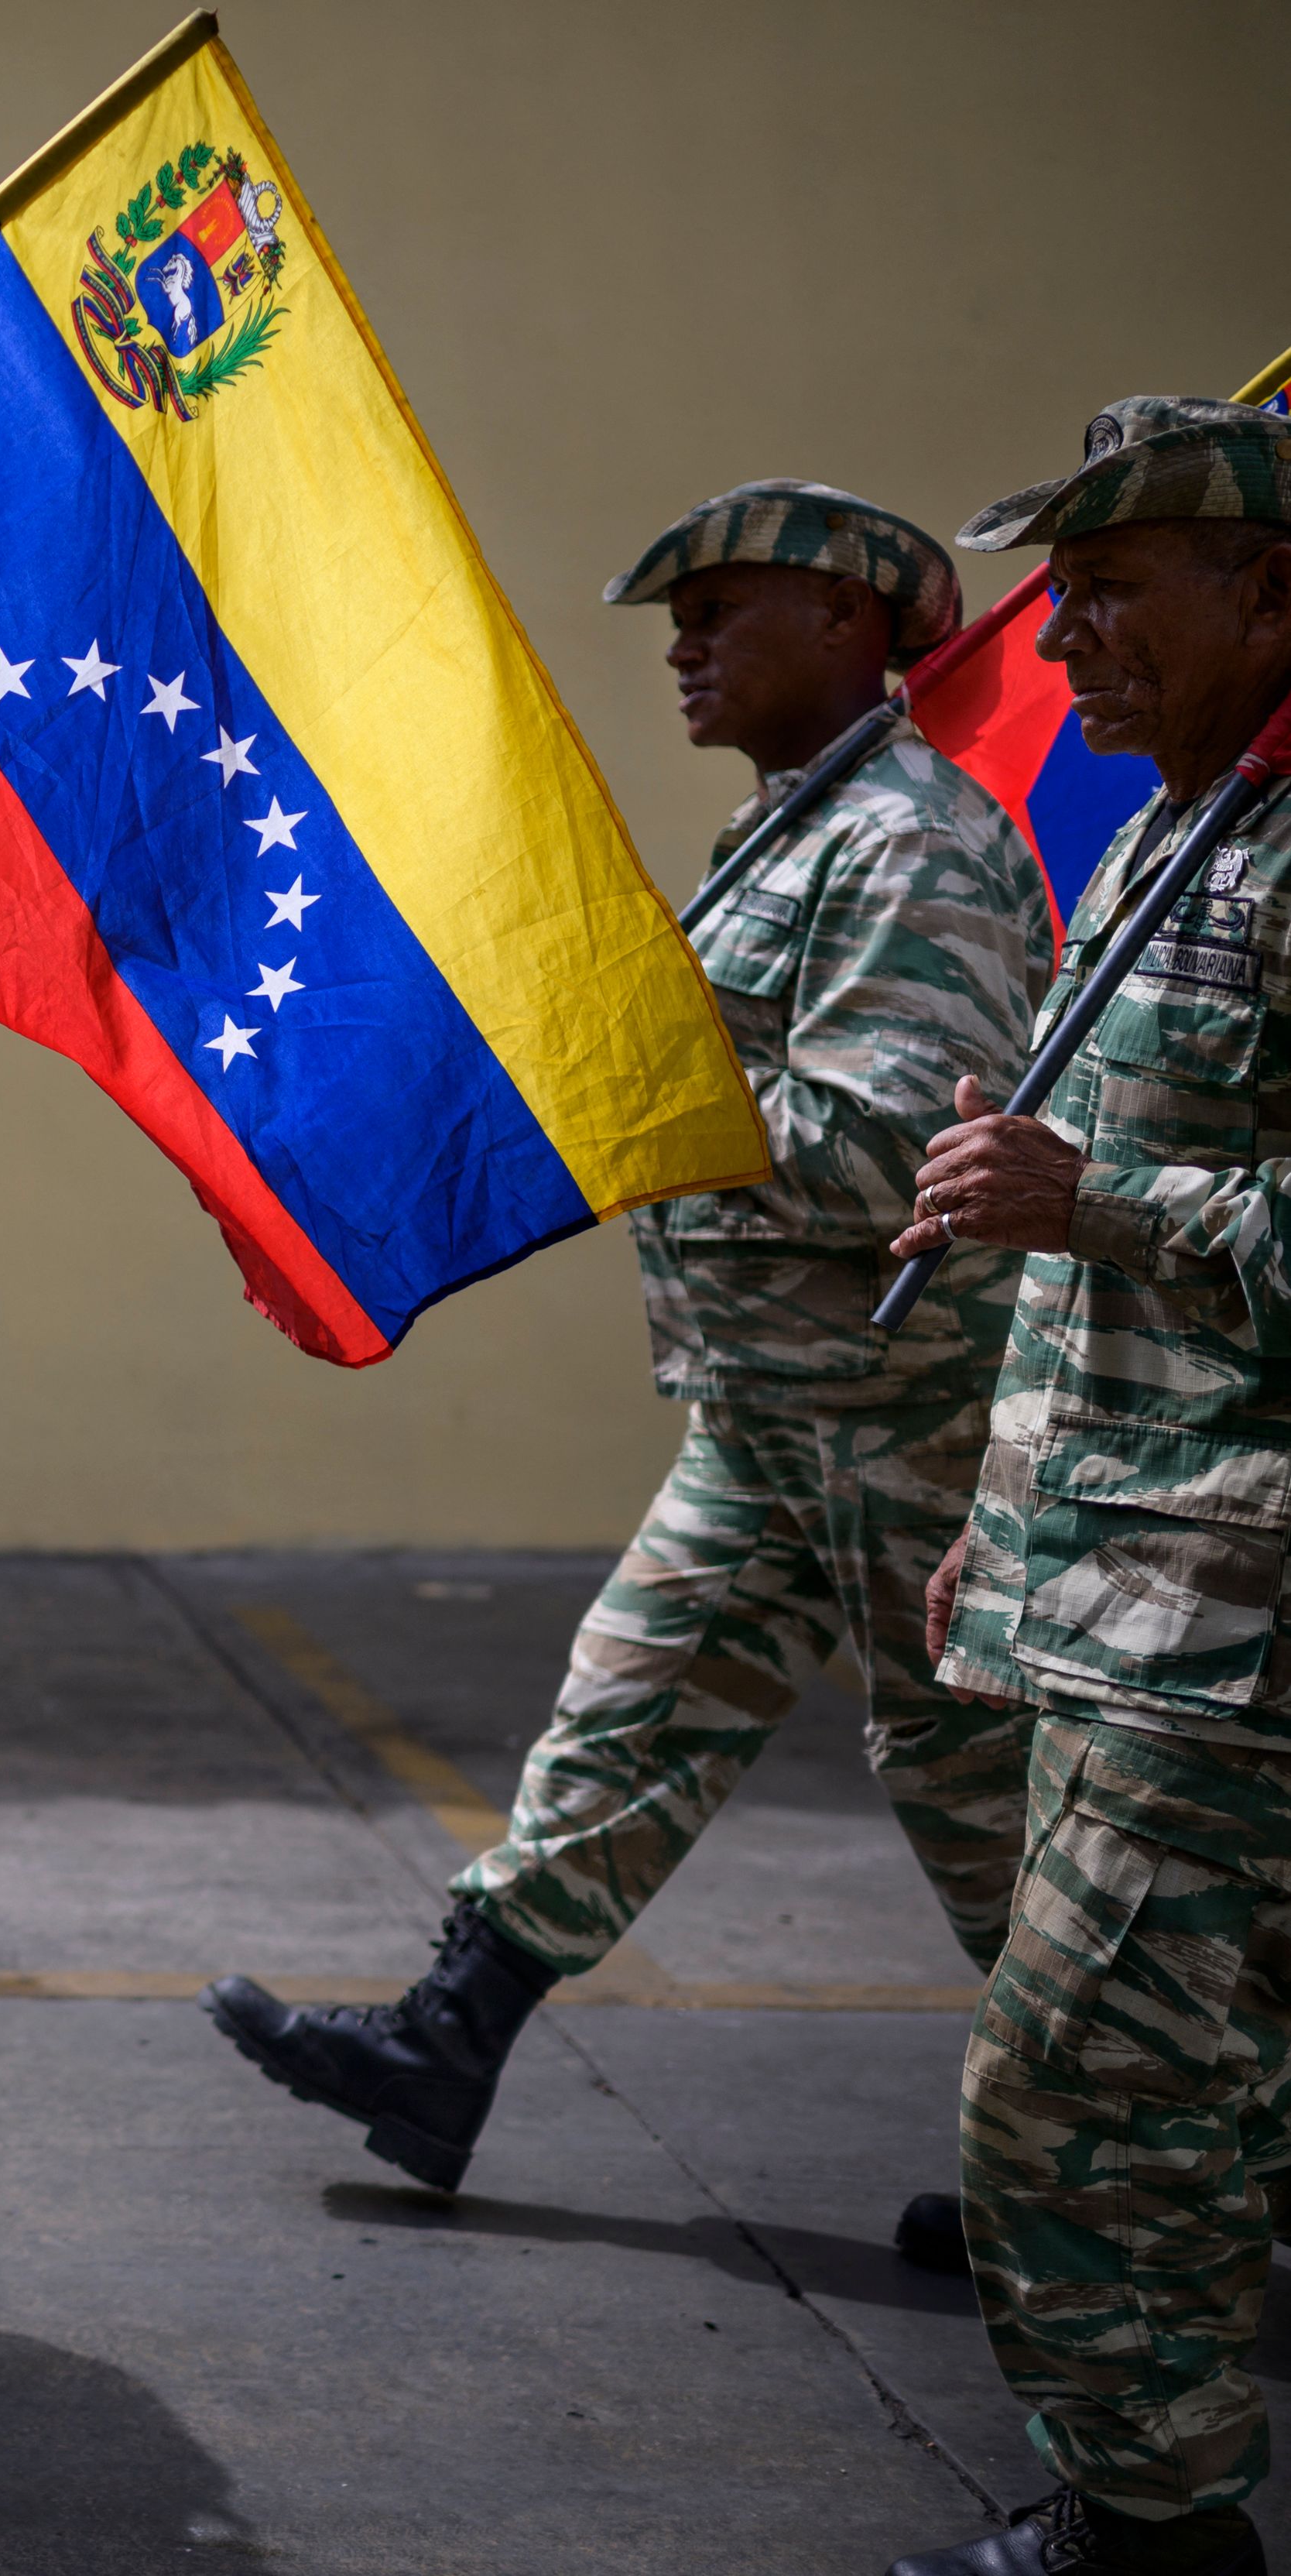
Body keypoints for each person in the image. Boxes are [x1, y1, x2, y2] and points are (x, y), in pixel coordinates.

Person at [203, 482, 1053, 2241]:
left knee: (990, 1804)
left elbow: (907, 1149)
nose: (679, 643)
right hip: (775, 1414)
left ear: (843, 621)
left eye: (717, 608)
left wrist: (640, 1078)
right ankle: (444, 2046)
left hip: (905, 1423)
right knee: (627, 1709)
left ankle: (1135, 2163)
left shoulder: (905, 841)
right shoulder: (791, 832)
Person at [885, 396, 1291, 2576]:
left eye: (1116, 593)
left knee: (1054, 2109)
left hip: (1240, 1628)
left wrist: (1105, 1195)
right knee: (1203, 2108)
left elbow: (1125, 1209)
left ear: (1271, 590)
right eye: (1061, 601)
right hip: (1132, 1587)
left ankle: (1156, 2538)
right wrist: (1004, 1510)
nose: (1070, 647)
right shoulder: (1168, 836)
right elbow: (1078, 1258)